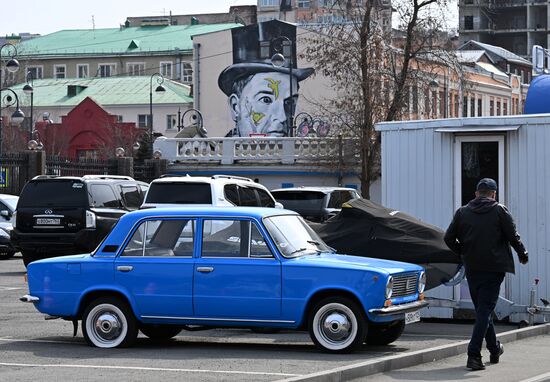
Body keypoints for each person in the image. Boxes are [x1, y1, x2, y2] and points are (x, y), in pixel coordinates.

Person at [444, 178, 528, 371]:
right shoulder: (499, 210)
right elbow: (512, 235)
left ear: (476, 193)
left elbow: (448, 238)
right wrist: (523, 253)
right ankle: (473, 354)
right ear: (493, 194)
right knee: (484, 311)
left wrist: (463, 252)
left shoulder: (462, 212)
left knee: (484, 310)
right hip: (494, 268)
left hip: (472, 268)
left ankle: (494, 348)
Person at [218, 20, 314, 137]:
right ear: (235, 107)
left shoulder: (298, 153)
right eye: (266, 100)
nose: (282, 117)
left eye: (289, 103)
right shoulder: (222, 153)